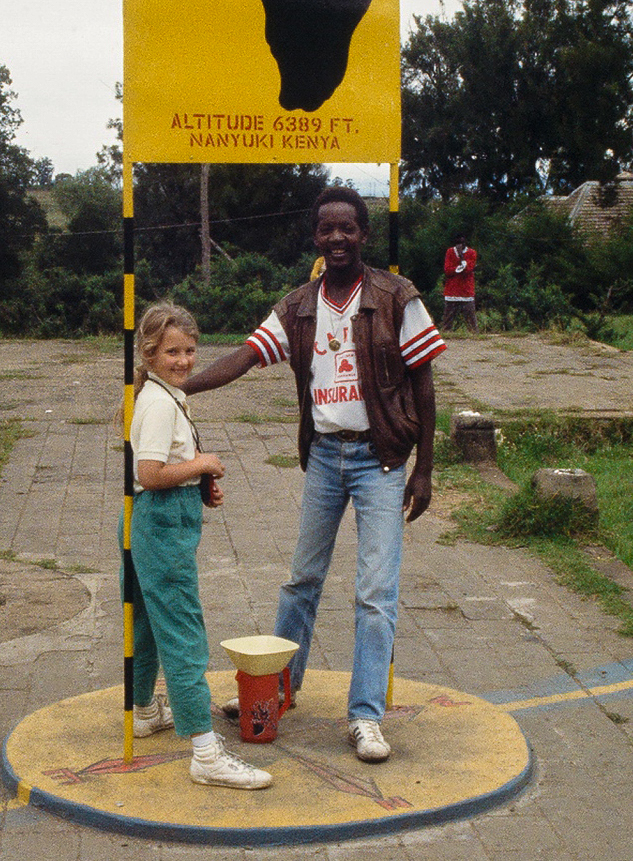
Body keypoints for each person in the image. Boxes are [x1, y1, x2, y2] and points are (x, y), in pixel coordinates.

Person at [185, 186, 445, 763]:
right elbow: (246, 356)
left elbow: (424, 384)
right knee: (301, 581)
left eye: (347, 229)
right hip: (326, 457)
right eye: (327, 229)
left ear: (364, 235)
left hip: (381, 459)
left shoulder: (397, 297)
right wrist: (182, 384)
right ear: (316, 238)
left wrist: (424, 468)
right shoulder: (299, 306)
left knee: (376, 593)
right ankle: (278, 693)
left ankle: (366, 718)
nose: (337, 239)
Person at [120, 301, 272, 789]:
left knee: (144, 621)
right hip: (161, 524)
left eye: (189, 350)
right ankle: (205, 753)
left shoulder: (167, 394)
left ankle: (143, 709)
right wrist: (202, 464)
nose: (183, 361)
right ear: (148, 354)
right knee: (184, 632)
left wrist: (197, 483)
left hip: (156, 519)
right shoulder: (162, 403)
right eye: (171, 352)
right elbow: (148, 473)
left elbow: (161, 469)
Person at [442, 233, 478, 333]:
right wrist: (459, 268)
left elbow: (468, 269)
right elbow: (447, 270)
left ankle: (475, 337)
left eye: (461, 243)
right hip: (452, 290)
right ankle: (446, 336)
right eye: (458, 243)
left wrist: (462, 258)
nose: (459, 246)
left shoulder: (472, 253)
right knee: (448, 320)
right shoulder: (449, 252)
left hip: (466, 290)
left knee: (471, 321)